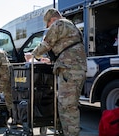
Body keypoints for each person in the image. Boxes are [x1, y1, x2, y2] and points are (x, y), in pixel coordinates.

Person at [32, 8, 87, 136]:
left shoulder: (59, 24)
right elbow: (67, 49)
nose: (49, 27)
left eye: (48, 25)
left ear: (52, 19)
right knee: (68, 105)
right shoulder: (71, 26)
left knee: (67, 107)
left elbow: (46, 44)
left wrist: (33, 55)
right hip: (75, 69)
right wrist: (51, 60)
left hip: (69, 71)